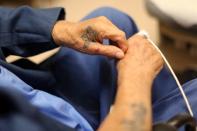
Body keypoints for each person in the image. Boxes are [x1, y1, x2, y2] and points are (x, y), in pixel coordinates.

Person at [0, 6, 196, 131]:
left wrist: (61, 29)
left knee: (114, 20)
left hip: (38, 95)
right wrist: (135, 81)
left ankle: (170, 98)